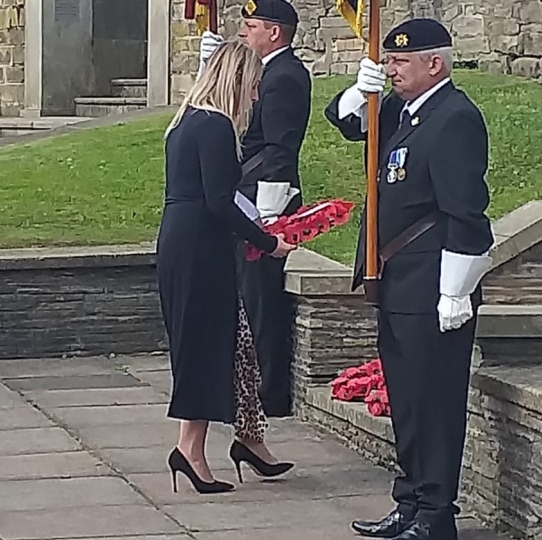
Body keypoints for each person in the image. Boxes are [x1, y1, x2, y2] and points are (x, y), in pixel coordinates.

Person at [323, 18, 494, 540]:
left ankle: (437, 515)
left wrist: (455, 289)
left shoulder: (455, 118)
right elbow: (347, 122)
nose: (390, 69)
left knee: (434, 402)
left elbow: (467, 213)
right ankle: (411, 503)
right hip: (398, 281)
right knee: (406, 400)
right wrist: (360, 88)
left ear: (434, 64)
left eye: (399, 62)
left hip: (432, 285)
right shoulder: (402, 110)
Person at [157, 39, 296, 494]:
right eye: (253, 86)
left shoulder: (186, 122)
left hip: (182, 239)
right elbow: (219, 201)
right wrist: (268, 240)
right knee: (205, 344)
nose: (256, 97)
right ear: (237, 82)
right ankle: (192, 451)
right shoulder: (215, 125)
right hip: (200, 245)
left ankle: (223, 442)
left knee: (220, 343)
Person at [198, 0, 312, 417]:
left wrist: (267, 215)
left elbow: (280, 148)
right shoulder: (266, 72)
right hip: (247, 194)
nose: (243, 32)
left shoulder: (283, 77)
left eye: (251, 26)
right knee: (249, 296)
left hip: (266, 198)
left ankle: (270, 393)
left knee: (263, 300)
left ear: (275, 32)